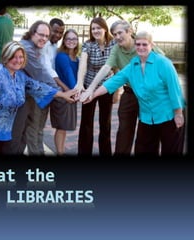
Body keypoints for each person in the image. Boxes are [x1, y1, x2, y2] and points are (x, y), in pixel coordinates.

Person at [0, 41, 77, 155]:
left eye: (21, 57)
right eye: (14, 57)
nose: (18, 60)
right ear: (6, 57)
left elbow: (38, 87)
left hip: (0, 131)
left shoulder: (19, 76)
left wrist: (63, 94)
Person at [83, 31, 186, 156]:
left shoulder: (163, 63)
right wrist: (92, 95)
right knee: (143, 150)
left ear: (151, 45)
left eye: (144, 44)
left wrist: (178, 113)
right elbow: (112, 82)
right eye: (138, 44)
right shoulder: (133, 65)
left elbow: (174, 89)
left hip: (169, 115)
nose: (141, 47)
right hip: (147, 117)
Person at [4, 20, 74, 155]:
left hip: (32, 93)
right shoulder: (26, 48)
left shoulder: (40, 47)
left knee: (28, 130)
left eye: (46, 36)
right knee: (20, 132)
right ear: (32, 32)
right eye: (41, 35)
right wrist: (61, 92)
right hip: (19, 97)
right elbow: (40, 72)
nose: (44, 39)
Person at [74, 17, 116, 156]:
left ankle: (106, 152)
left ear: (105, 28)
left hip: (106, 87)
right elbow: (83, 64)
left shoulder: (114, 43)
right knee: (86, 121)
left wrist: (117, 85)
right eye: (93, 28)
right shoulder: (88, 44)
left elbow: (117, 65)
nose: (96, 31)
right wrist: (80, 83)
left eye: (99, 28)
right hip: (88, 85)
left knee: (106, 122)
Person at [52, 29, 80, 155]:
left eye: (74, 39)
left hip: (71, 94)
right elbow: (69, 74)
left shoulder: (76, 57)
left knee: (64, 128)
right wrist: (75, 91)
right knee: (61, 127)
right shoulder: (62, 56)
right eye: (68, 39)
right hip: (63, 95)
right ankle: (60, 152)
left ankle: (61, 152)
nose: (71, 41)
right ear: (64, 41)